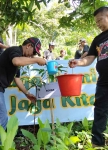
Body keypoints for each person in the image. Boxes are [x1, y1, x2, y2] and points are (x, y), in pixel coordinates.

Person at [0, 37, 46, 142]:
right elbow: (16, 61)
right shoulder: (15, 50)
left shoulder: (18, 57)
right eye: (33, 52)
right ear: (28, 45)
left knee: (0, 117)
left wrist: (27, 93)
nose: (32, 55)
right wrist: (36, 60)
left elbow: (17, 79)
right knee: (1, 117)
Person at [69, 6, 108, 148]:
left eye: (100, 20)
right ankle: (98, 144)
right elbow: (90, 58)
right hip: (103, 81)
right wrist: (78, 62)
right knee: (100, 111)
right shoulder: (98, 39)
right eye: (96, 22)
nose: (98, 24)